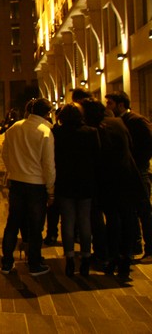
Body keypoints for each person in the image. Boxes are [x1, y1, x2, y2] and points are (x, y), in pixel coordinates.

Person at [82, 98, 144, 280]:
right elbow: (130, 145)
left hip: (108, 180)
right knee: (127, 218)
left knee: (113, 219)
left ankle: (113, 257)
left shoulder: (93, 130)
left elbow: (94, 157)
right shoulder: (118, 122)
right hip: (127, 176)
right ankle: (126, 259)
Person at [0, 98, 55, 276]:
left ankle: (7, 262)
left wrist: (14, 170)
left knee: (13, 223)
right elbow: (48, 165)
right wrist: (51, 190)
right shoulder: (45, 131)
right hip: (36, 185)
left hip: (17, 183)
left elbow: (5, 155)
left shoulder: (14, 128)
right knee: (36, 226)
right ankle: (34, 264)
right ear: (47, 113)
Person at [52, 103, 100, 276]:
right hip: (86, 182)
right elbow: (97, 156)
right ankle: (86, 257)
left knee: (68, 221)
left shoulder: (57, 133)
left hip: (64, 181)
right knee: (84, 220)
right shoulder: (91, 132)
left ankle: (70, 259)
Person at [105, 91, 152, 263]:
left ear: (121, 104)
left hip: (139, 172)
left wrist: (138, 162)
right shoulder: (120, 121)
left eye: (110, 103)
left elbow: (148, 143)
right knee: (131, 211)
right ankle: (135, 246)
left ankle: (150, 249)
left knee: (144, 210)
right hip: (127, 172)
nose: (108, 107)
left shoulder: (136, 120)